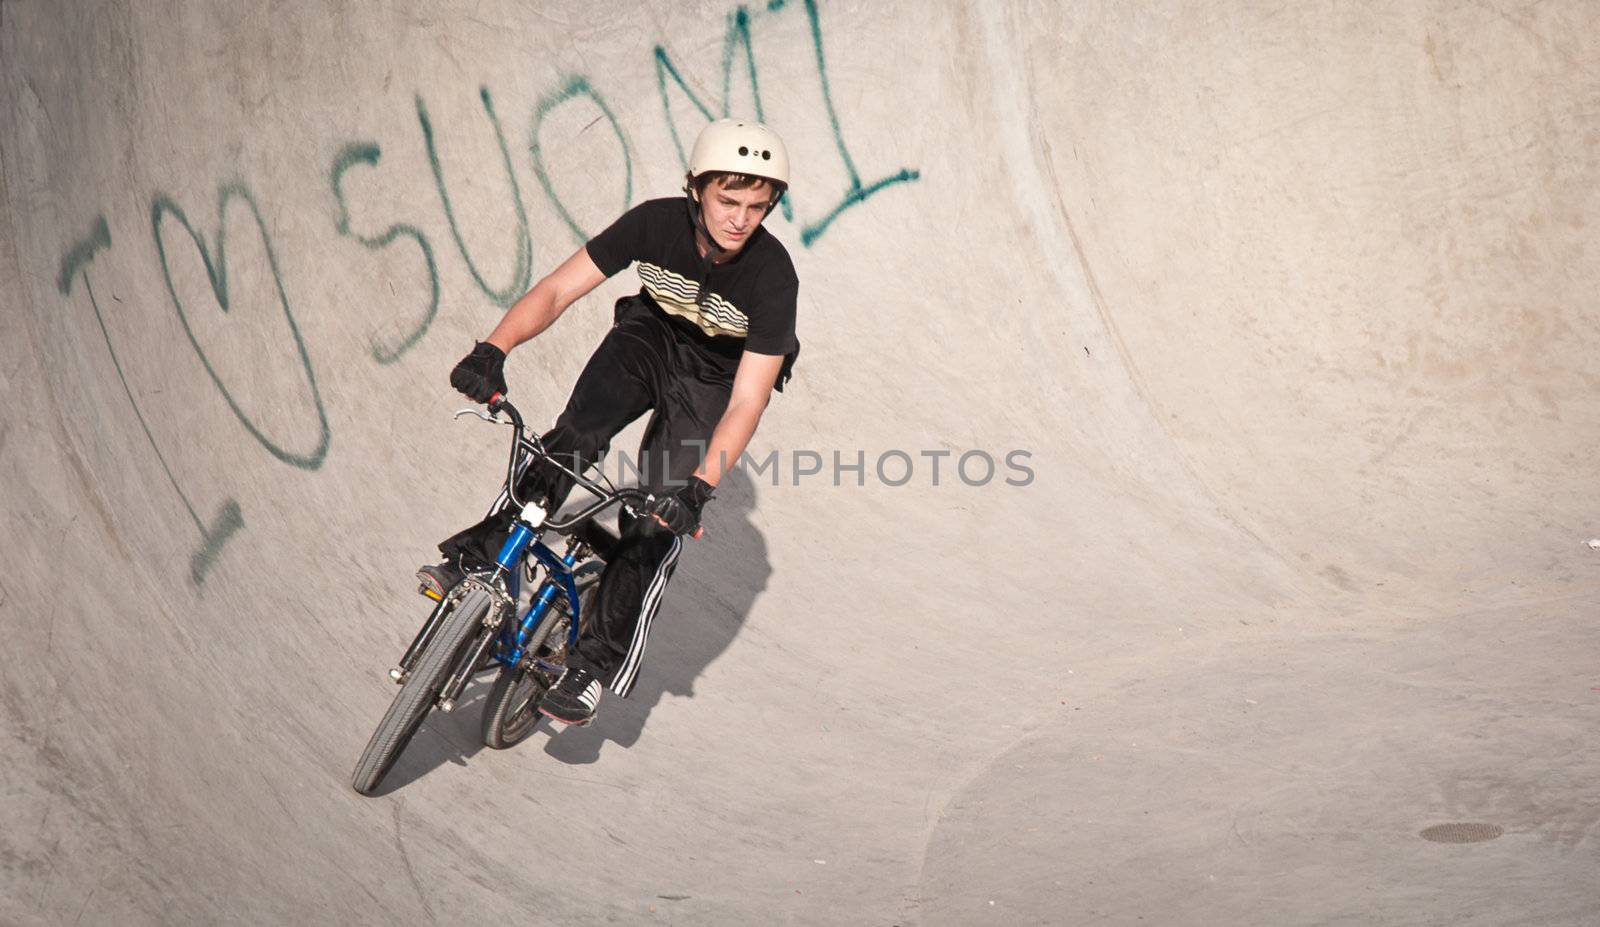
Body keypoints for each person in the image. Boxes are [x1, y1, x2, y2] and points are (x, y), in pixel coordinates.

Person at [418, 118, 799, 727]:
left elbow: (750, 400)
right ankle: (486, 555)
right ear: (695, 188)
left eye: (757, 206)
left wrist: (697, 491)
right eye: (728, 200)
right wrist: (494, 349)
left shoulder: (773, 277)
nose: (740, 219)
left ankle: (592, 666)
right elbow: (559, 289)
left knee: (656, 513)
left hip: (718, 376)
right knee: (576, 436)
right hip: (650, 337)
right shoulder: (653, 222)